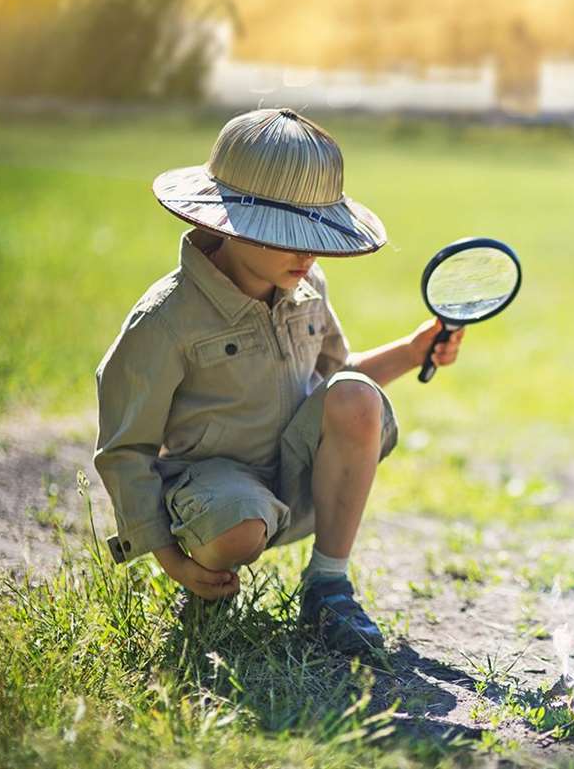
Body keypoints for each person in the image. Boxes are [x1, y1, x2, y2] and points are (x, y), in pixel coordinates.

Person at [94, 107, 463, 654]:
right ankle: (209, 590)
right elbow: (127, 447)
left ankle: (328, 587)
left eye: (315, 231)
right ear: (229, 222)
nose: (307, 250)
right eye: (287, 234)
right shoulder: (167, 319)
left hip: (297, 474)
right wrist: (170, 560)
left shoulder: (307, 285)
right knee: (237, 526)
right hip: (214, 493)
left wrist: (412, 351)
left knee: (357, 398)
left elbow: (339, 381)